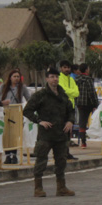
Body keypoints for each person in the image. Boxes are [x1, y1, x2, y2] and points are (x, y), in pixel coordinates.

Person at [23, 68, 75, 197]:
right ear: (47, 79)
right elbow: (27, 110)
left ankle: (61, 187)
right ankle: (38, 188)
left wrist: (70, 121)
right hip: (46, 134)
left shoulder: (62, 94)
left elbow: (71, 110)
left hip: (61, 133)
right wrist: (39, 120)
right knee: (41, 160)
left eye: (56, 77)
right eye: (52, 77)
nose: (55, 79)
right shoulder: (40, 95)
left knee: (61, 161)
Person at [0, 68, 30, 164]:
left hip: (17, 112)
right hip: (5, 111)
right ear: (10, 77)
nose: (16, 78)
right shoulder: (3, 87)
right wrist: (2, 103)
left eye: (18, 77)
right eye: (14, 76)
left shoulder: (22, 87)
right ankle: (7, 155)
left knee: (15, 134)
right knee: (6, 134)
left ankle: (14, 154)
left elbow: (29, 98)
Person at [74, 63, 98, 149]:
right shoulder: (88, 79)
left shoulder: (76, 79)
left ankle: (83, 142)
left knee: (82, 122)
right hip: (89, 103)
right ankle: (97, 136)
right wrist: (95, 103)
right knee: (95, 119)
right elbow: (91, 92)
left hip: (80, 103)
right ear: (87, 70)